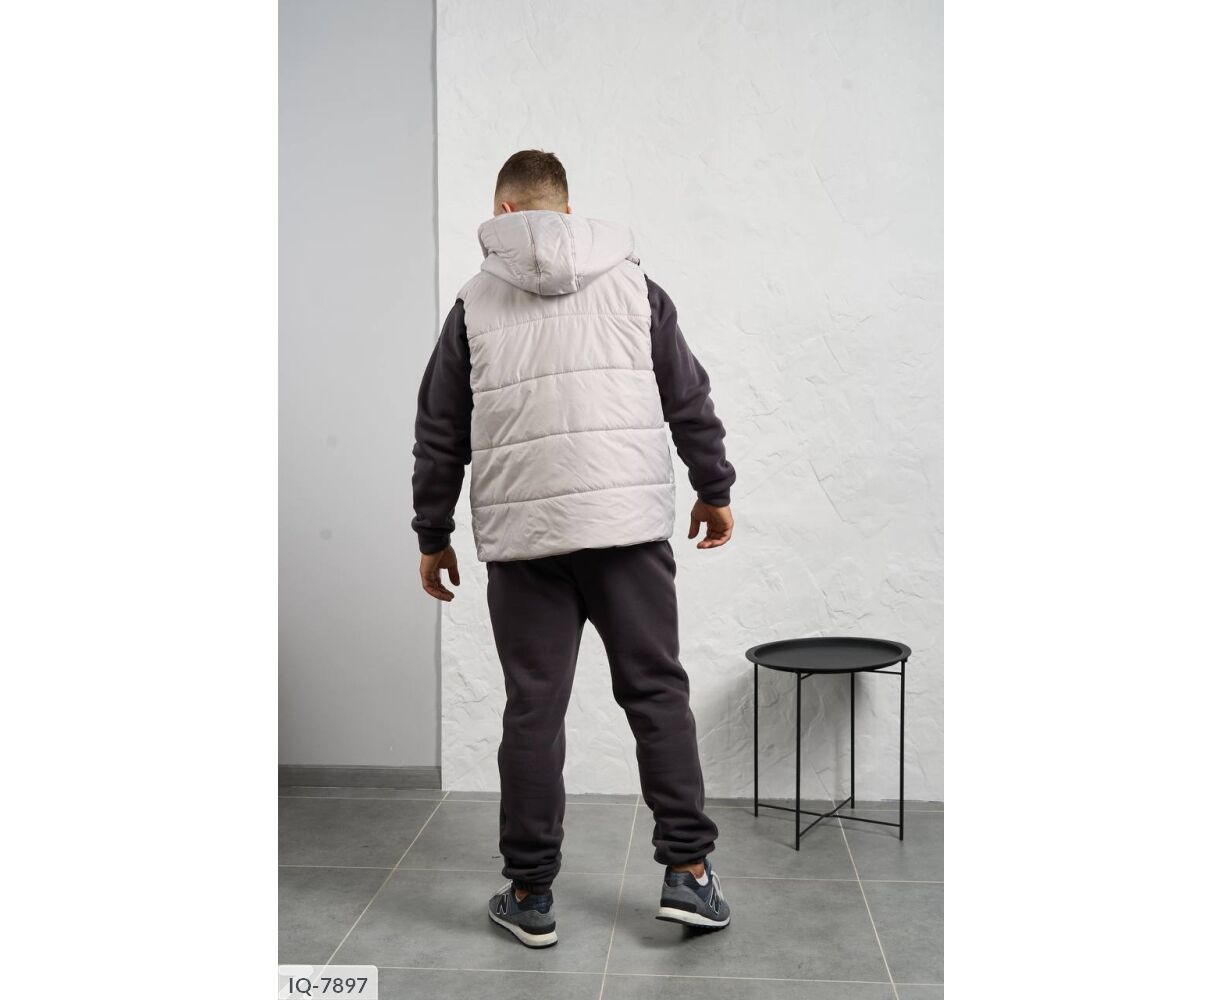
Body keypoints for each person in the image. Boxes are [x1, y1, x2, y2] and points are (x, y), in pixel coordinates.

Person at [411, 149, 736, 948]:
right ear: (564, 209)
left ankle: (529, 895)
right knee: (655, 693)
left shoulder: (472, 304)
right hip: (626, 531)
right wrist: (713, 486)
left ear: (503, 210)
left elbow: (439, 430)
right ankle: (688, 875)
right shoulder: (634, 286)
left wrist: (432, 533)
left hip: (525, 542)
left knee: (533, 709)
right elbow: (687, 396)